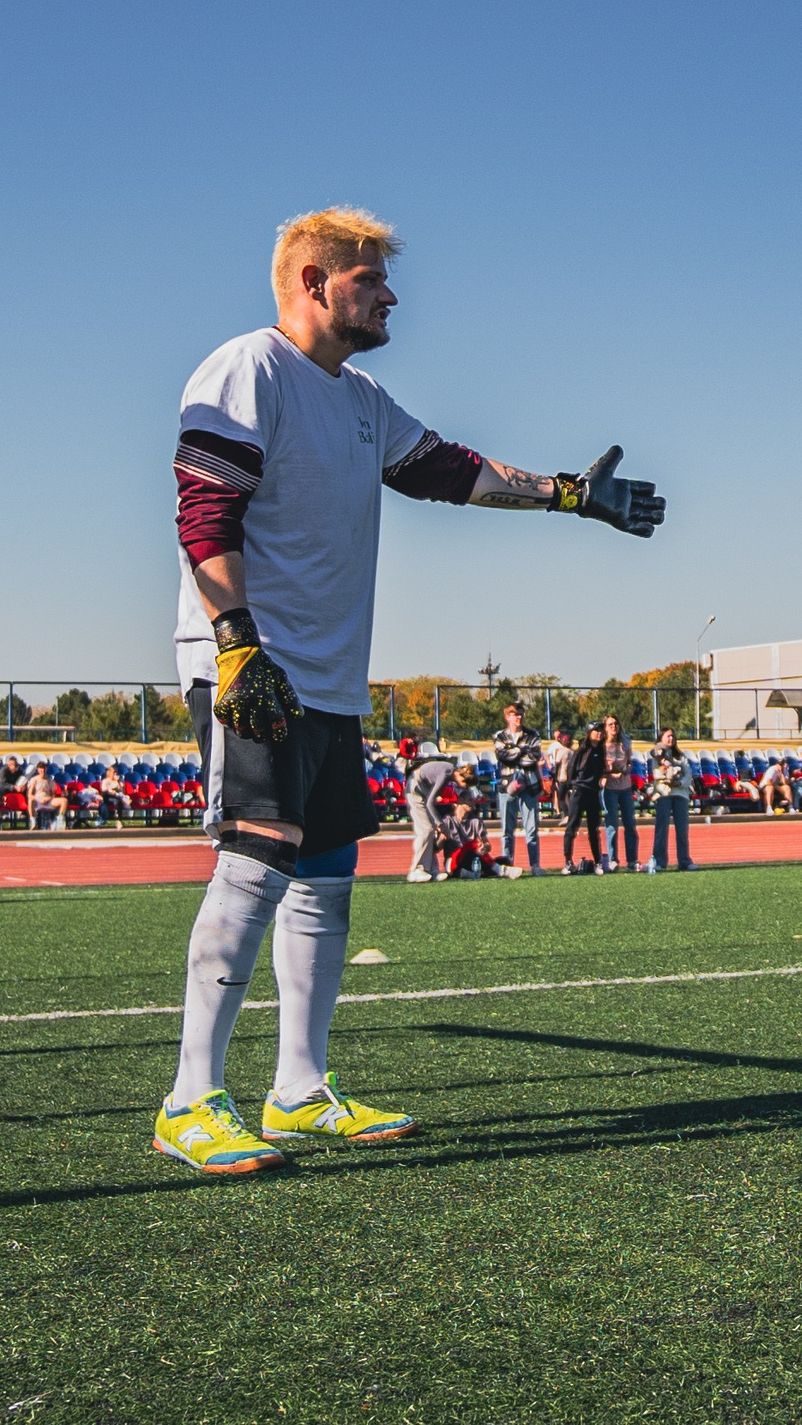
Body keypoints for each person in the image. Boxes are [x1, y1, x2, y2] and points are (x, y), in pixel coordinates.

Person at [156, 205, 665, 1175]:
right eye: (370, 278)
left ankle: (299, 1090)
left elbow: (446, 470)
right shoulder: (246, 369)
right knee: (257, 861)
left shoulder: (360, 398)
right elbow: (202, 514)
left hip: (331, 677)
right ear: (313, 281)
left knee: (328, 877)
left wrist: (568, 493)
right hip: (250, 660)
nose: (390, 294)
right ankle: (190, 1100)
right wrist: (235, 646)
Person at [492, 702, 544, 875]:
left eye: (521, 714)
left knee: (531, 829)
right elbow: (502, 756)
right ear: (508, 717)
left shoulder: (533, 734)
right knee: (507, 829)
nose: (519, 717)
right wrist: (522, 750)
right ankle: (508, 864)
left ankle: (535, 865)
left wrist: (514, 752)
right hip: (507, 786)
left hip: (529, 785)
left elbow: (533, 757)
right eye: (515, 714)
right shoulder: (500, 736)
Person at [560, 722, 608, 873]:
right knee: (572, 827)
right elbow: (571, 770)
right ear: (589, 732)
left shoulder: (601, 750)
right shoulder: (581, 750)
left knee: (594, 829)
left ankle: (598, 861)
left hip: (593, 792)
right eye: (595, 731)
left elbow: (601, 770)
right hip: (579, 792)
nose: (599, 733)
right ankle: (568, 861)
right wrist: (573, 787)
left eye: (601, 731)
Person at [405, 746, 456, 882]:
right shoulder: (446, 773)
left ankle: (432, 870)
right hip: (416, 789)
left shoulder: (450, 772)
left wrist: (438, 824)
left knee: (431, 830)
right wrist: (441, 824)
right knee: (426, 830)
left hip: (424, 791)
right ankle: (416, 869)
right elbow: (430, 803)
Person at [648, 727, 696, 871]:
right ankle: (659, 861)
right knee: (661, 829)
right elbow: (656, 774)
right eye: (668, 736)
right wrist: (667, 776)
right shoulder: (656, 756)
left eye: (673, 736)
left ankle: (684, 861)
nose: (671, 739)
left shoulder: (681, 756)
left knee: (682, 829)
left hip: (680, 794)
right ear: (661, 738)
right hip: (664, 794)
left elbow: (688, 774)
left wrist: (680, 782)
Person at [600, 714, 639, 871]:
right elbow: (599, 768)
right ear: (605, 727)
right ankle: (613, 859)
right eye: (610, 724)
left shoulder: (625, 743)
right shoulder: (601, 746)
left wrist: (624, 769)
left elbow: (629, 762)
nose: (613, 727)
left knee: (630, 824)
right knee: (612, 825)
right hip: (609, 788)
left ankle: (632, 859)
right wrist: (608, 772)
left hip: (625, 787)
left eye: (616, 723)